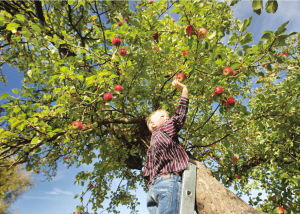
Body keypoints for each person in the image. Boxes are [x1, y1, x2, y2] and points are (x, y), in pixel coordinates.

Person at [143, 78, 190, 214]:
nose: (167, 118)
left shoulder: (152, 146)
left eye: (167, 116)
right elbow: (179, 117)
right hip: (168, 182)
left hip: (153, 190)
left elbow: (146, 171)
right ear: (153, 124)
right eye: (163, 116)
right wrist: (184, 90)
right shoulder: (164, 131)